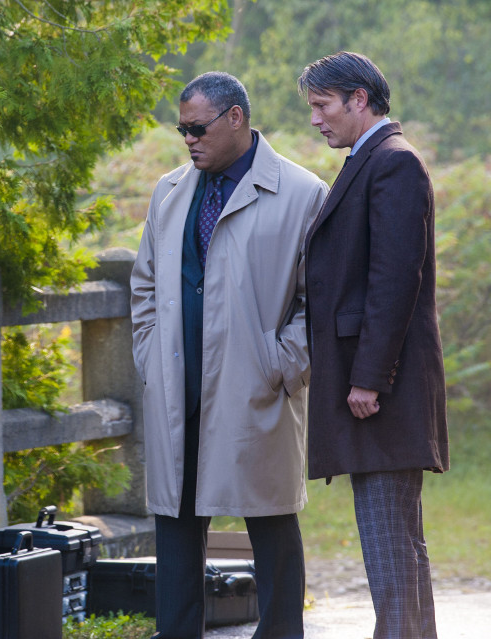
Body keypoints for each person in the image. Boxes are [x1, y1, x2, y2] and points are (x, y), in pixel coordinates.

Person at [130, 72, 328, 639]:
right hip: (177, 384)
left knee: (270, 518)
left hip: (254, 384)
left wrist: (280, 364)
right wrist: (151, 359)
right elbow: (144, 286)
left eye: (197, 128)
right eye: (182, 130)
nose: (188, 140)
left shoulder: (303, 194)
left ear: (235, 117)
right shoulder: (169, 191)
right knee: (176, 522)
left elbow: (319, 302)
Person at [297, 52, 449, 639]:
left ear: (359, 99)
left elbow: (394, 280)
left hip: (383, 389)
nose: (316, 119)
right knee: (399, 541)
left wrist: (369, 378)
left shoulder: (393, 162)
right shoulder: (374, 158)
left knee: (390, 540)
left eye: (322, 105)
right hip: (378, 384)